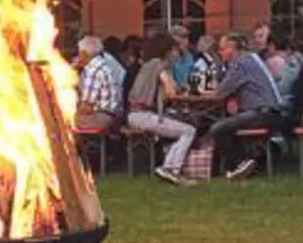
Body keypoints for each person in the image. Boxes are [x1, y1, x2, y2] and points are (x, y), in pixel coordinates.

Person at [124, 34, 197, 185]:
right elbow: (171, 91)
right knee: (188, 130)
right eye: (176, 51)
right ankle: (171, 169)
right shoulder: (159, 65)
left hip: (136, 114)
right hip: (142, 115)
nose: (178, 55)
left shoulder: (149, 65)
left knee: (184, 127)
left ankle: (168, 168)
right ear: (168, 51)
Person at [207, 33, 281, 180]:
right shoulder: (252, 58)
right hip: (273, 111)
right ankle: (241, 165)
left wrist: (205, 93)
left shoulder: (240, 63)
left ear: (231, 49)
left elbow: (220, 92)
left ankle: (240, 164)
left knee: (217, 128)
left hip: (261, 112)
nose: (220, 53)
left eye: (221, 49)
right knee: (229, 125)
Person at [74, 36, 124, 131]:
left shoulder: (93, 69)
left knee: (65, 119)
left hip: (103, 117)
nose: (78, 57)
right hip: (115, 114)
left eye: (79, 53)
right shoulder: (104, 63)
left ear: (84, 53)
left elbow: (87, 107)